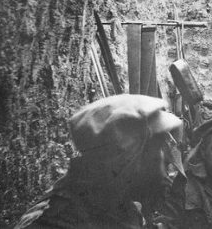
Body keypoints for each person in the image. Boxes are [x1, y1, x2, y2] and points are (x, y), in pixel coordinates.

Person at [14, 94, 182, 229]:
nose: (165, 164)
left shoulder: (117, 206)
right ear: (125, 159)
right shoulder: (54, 221)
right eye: (157, 150)